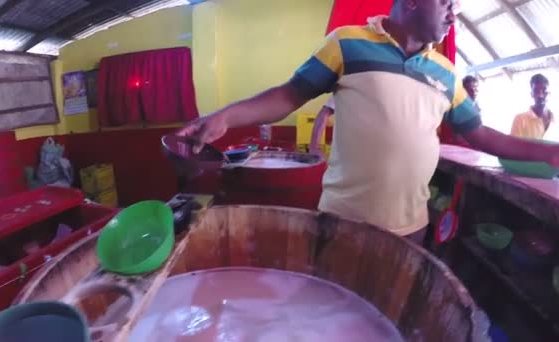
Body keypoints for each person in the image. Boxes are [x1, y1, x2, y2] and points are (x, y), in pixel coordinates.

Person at [177, 0, 559, 245]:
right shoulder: (347, 43)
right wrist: (223, 116)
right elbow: (289, 96)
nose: (452, 10)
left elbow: (482, 135)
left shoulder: (446, 74)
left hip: (412, 227)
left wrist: (552, 154)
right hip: (343, 222)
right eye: (445, 1)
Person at [511, 74, 554, 140]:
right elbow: (513, 148)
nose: (540, 95)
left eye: (544, 90)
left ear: (549, 93)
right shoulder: (520, 120)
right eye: (536, 91)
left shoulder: (554, 120)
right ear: (531, 94)